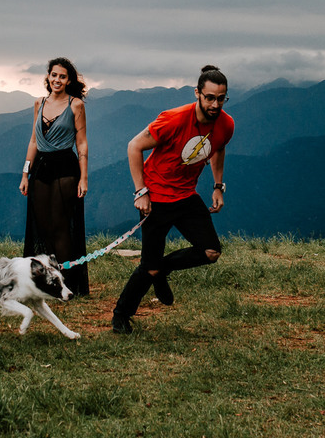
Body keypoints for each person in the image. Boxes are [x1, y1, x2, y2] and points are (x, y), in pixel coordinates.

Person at [112, 65, 234, 333]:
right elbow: (134, 146)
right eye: (210, 97)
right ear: (198, 94)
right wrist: (140, 192)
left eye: (221, 98)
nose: (215, 104)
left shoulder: (226, 124)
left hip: (187, 197)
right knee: (149, 268)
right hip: (155, 198)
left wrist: (217, 186)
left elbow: (218, 148)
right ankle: (121, 314)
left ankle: (162, 269)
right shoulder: (174, 119)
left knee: (211, 252)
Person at [20, 57, 90, 295]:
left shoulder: (75, 105)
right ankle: (49, 279)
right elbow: (33, 141)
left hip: (65, 168)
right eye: (54, 75)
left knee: (61, 226)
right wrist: (25, 174)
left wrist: (84, 178)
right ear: (47, 77)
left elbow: (81, 144)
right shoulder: (38, 103)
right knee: (44, 226)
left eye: (62, 76)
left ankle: (68, 281)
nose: (57, 80)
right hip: (41, 168)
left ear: (68, 80)